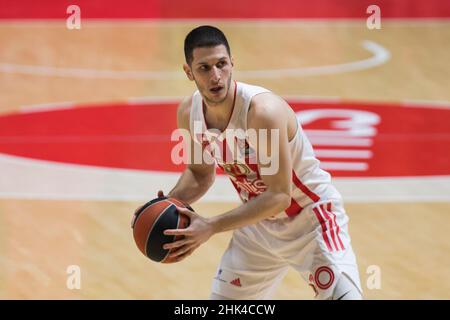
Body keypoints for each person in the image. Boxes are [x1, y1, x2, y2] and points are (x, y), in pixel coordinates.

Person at [152, 25, 363, 300]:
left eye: (221, 64)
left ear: (232, 63)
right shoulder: (189, 113)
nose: (216, 76)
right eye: (204, 68)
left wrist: (211, 226)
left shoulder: (262, 113)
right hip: (258, 225)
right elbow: (200, 174)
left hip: (310, 219)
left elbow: (279, 196)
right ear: (188, 71)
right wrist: (163, 205)